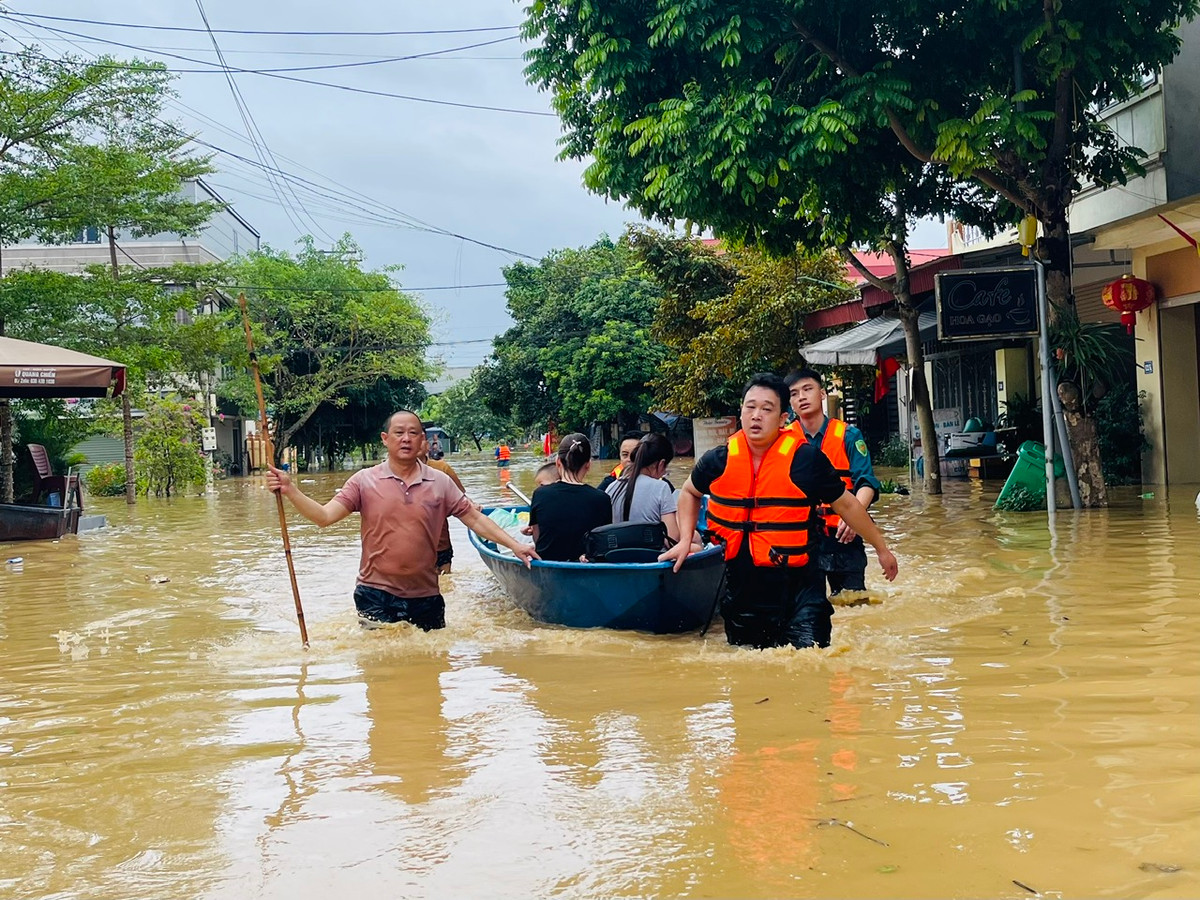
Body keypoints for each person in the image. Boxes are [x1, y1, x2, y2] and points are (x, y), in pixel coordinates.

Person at [660, 374, 898, 649]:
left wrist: (881, 548)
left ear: (783, 418)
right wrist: (685, 541)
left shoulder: (806, 460)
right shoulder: (719, 460)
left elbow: (846, 504)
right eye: (750, 407)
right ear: (741, 412)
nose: (756, 415)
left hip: (800, 593)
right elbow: (690, 492)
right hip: (743, 593)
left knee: (811, 665)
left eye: (766, 409)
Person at [267, 410, 537, 630]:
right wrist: (291, 489)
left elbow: (475, 520)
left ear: (422, 441)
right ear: (385, 438)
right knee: (382, 675)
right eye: (399, 433)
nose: (406, 439)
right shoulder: (364, 481)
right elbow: (324, 517)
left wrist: (515, 545)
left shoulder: (440, 482)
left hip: (426, 596)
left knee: (430, 678)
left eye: (413, 433)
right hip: (375, 594)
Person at [785, 368, 881, 602]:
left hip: (843, 535)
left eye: (808, 389)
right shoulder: (783, 440)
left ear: (822, 393)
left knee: (854, 605)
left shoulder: (849, 435)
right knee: (805, 608)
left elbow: (866, 481)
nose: (802, 397)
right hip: (800, 537)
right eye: (794, 393)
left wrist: (854, 517)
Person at [528, 433, 611, 561]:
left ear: (558, 462)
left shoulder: (540, 494)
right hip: (586, 566)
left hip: (549, 564)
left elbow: (537, 537)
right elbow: (603, 541)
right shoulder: (602, 499)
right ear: (588, 464)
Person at [605, 433, 681, 546]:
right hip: (652, 556)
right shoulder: (661, 487)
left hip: (617, 555)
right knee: (696, 542)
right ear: (661, 464)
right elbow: (671, 540)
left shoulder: (611, 487)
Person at [420, 436, 467, 575]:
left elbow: (460, 498)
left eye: (417, 437)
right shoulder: (389, 475)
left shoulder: (441, 468)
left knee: (444, 582)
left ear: (427, 446)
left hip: (440, 541)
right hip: (409, 548)